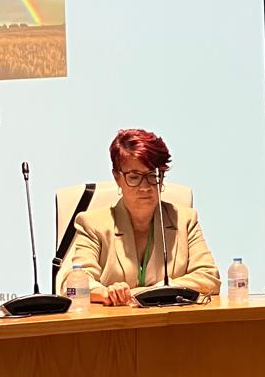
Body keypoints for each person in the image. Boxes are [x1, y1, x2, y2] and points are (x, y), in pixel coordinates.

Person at [54, 128, 220, 305]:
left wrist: (151, 292)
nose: (145, 187)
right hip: (115, 321)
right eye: (134, 177)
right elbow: (74, 283)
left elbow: (209, 277)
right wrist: (106, 293)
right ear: (117, 178)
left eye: (152, 176)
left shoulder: (185, 220)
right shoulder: (92, 224)